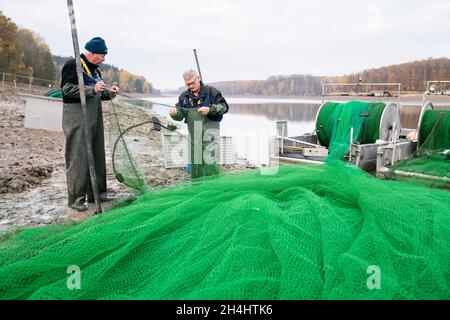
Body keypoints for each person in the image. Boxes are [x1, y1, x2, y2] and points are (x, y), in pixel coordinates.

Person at [61, 37, 119, 212]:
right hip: (77, 118)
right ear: (92, 53)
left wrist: (110, 92)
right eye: (102, 55)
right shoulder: (74, 65)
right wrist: (91, 90)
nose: (104, 59)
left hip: (95, 118)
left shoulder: (95, 71)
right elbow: (67, 90)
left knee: (97, 154)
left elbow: (98, 94)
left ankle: (98, 193)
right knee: (78, 158)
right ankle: (76, 199)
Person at [169, 70, 229, 178]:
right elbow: (180, 114)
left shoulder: (211, 92)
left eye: (193, 82)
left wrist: (210, 109)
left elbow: (224, 107)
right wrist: (174, 113)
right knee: (195, 163)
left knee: (211, 161)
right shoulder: (184, 97)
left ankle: (214, 188)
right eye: (188, 84)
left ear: (198, 78)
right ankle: (197, 187)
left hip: (210, 133)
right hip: (194, 136)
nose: (191, 86)